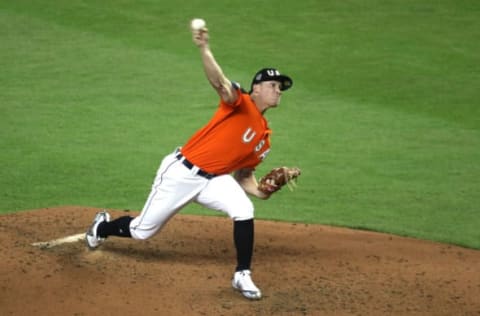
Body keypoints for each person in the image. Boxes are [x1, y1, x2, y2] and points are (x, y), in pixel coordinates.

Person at [85, 22, 293, 301]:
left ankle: (242, 274)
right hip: (181, 173)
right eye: (273, 85)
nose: (278, 90)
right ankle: (101, 227)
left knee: (244, 208)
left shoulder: (264, 139)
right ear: (256, 88)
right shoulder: (240, 102)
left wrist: (266, 190)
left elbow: (244, 179)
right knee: (142, 232)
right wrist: (204, 48)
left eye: (280, 87)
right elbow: (219, 82)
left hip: (214, 181)